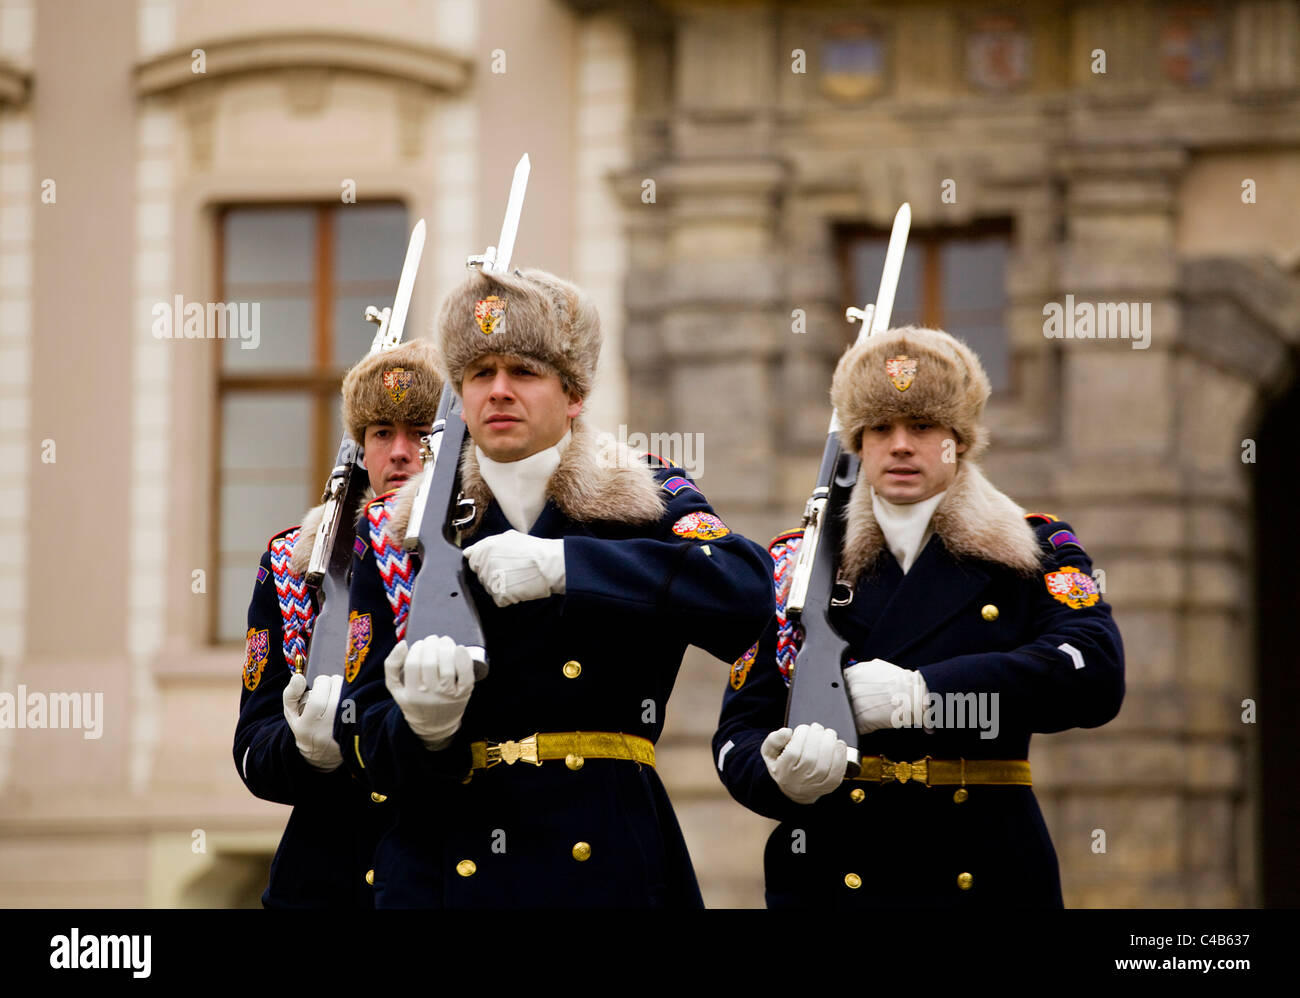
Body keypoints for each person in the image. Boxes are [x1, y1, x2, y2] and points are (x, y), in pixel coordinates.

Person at [337, 265, 774, 907]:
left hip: (603, 859)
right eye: (481, 374)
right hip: (449, 868)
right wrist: (423, 728)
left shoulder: (645, 493)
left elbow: (744, 594)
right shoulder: (399, 529)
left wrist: (571, 565)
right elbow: (362, 737)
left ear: (573, 394)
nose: (500, 391)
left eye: (525, 371)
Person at [713, 325, 1125, 907]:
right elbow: (738, 733)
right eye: (880, 428)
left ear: (960, 439)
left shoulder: (1035, 547)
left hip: (978, 870)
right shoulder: (797, 563)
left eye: (924, 426)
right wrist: (778, 776)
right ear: (858, 442)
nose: (900, 444)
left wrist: (924, 695)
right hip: (836, 875)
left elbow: (1096, 673)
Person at [233, 337, 441, 907]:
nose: (400, 452)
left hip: (444, 869)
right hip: (327, 878)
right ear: (362, 450)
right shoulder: (292, 565)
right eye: (381, 434)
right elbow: (252, 748)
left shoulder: (482, 546)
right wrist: (304, 750)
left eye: (421, 433)